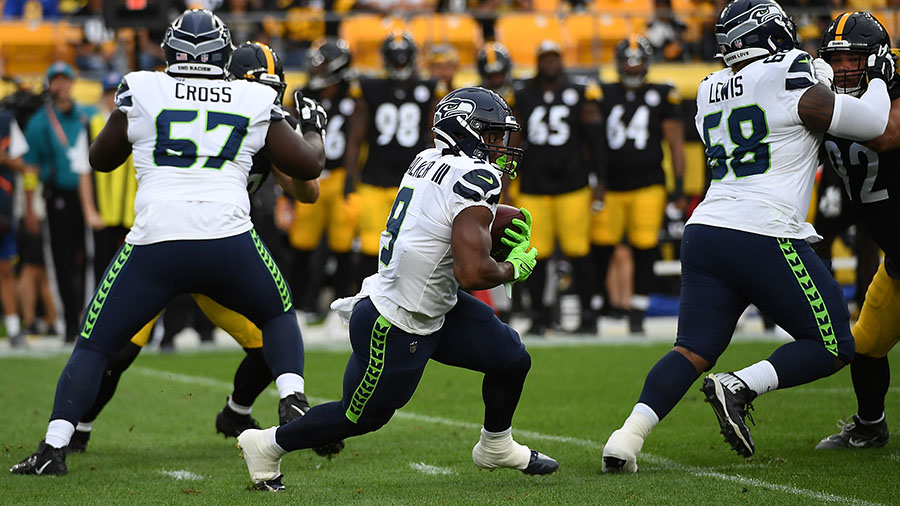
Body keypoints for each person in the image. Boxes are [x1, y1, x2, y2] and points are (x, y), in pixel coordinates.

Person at [10, 10, 326, 476]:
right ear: (224, 54)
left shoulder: (143, 86)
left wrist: (130, 124)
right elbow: (309, 165)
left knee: (95, 346)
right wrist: (313, 128)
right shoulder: (253, 97)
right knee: (278, 312)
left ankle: (54, 446)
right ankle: (293, 397)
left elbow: (100, 160)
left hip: (156, 242)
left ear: (169, 50)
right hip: (227, 240)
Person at [601, 0, 894, 472]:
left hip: (707, 229)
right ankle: (740, 384)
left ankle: (625, 438)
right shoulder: (792, 70)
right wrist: (878, 75)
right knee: (835, 343)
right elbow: (873, 123)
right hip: (763, 229)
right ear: (774, 33)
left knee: (691, 349)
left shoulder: (707, 87)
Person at [236, 87, 558, 492]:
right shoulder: (477, 177)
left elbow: (439, 228)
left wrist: (493, 226)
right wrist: (513, 267)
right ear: (466, 131)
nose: (501, 146)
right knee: (360, 418)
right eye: (492, 135)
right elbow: (473, 273)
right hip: (396, 320)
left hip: (432, 303)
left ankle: (496, 445)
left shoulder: (428, 159)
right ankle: (265, 444)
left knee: (511, 358)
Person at [814, 11, 898, 450]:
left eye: (854, 58)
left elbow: (885, 134)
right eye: (836, 58)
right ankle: (870, 424)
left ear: (879, 58)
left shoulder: (895, 79)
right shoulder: (826, 94)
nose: (843, 67)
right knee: (864, 345)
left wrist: (883, 81)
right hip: (896, 257)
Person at [592, 34, 685, 334]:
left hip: (648, 183)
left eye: (637, 62)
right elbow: (590, 141)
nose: (632, 68)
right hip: (612, 186)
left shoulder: (662, 93)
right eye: (627, 62)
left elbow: (676, 145)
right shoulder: (601, 93)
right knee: (602, 245)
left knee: (645, 248)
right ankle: (604, 304)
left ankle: (637, 310)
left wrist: (679, 186)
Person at [510, 40, 604, 335]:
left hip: (572, 183)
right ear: (537, 61)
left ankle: (588, 316)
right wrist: (510, 180)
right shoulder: (523, 94)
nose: (549, 64)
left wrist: (599, 182)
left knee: (579, 251)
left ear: (561, 60)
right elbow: (514, 139)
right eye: (544, 58)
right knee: (535, 254)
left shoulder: (580, 92)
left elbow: (595, 142)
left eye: (554, 58)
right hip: (535, 184)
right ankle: (540, 316)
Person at [344, 32, 446, 286]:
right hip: (374, 179)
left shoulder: (430, 88)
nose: (399, 64)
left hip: (413, 180)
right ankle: (368, 298)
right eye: (395, 59)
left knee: (413, 245)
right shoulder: (369, 88)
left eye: (403, 59)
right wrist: (350, 176)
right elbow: (356, 137)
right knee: (370, 244)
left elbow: (437, 137)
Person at [287, 37, 360, 314]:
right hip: (310, 175)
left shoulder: (352, 96)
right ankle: (298, 308)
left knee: (343, 247)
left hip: (341, 176)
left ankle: (339, 308)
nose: (316, 69)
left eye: (323, 64)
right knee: (301, 245)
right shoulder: (302, 94)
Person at [23, 61, 92, 343]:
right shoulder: (40, 122)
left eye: (65, 80)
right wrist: (30, 207)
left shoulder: (87, 116)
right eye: (56, 81)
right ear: (50, 84)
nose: (61, 86)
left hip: (87, 197)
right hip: (58, 196)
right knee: (61, 262)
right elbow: (31, 169)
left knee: (89, 261)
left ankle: (88, 320)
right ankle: (67, 323)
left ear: (72, 83)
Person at [83, 71, 136, 284]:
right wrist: (90, 210)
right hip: (104, 214)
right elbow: (83, 172)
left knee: (133, 271)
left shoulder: (138, 122)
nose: (112, 99)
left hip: (133, 213)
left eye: (116, 93)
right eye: (108, 93)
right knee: (102, 271)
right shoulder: (93, 124)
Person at [0, 100, 29, 346]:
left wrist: (3, 159)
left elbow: (22, 164)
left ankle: (12, 327)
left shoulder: (6, 120)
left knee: (6, 269)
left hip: (3, 211)